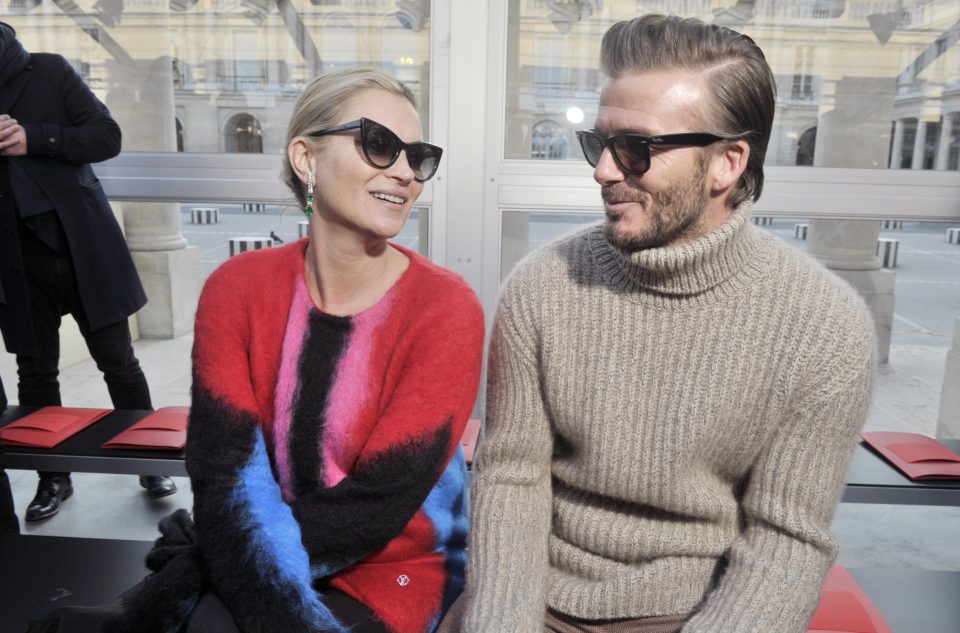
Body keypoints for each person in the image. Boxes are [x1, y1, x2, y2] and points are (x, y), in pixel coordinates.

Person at [463, 14, 875, 633]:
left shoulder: (826, 328)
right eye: (600, 144)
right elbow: (510, 478)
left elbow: (786, 540)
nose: (604, 171)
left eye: (636, 148)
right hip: (533, 599)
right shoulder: (542, 284)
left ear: (727, 163)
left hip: (694, 612)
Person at [111, 66, 482, 633]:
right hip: (262, 536)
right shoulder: (236, 288)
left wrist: (203, 569)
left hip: (399, 568)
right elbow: (225, 471)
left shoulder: (446, 308)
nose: (406, 173)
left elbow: (380, 502)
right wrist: (240, 561)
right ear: (306, 159)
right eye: (379, 144)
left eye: (418, 156)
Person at [0, 22, 176, 522]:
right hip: (16, 260)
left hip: (82, 248)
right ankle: (52, 476)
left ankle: (148, 463)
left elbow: (107, 137)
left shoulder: (48, 70)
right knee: (36, 374)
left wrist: (34, 137)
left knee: (118, 362)